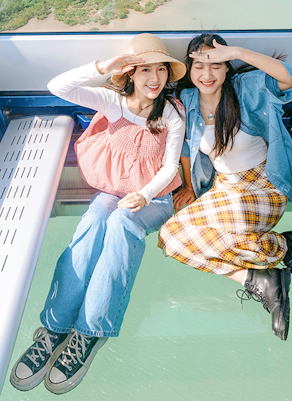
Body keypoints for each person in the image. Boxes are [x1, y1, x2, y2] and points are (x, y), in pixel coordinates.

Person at [10, 33, 186, 395]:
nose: (155, 79)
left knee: (121, 224)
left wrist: (144, 194)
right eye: (146, 70)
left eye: (162, 70)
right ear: (131, 73)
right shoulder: (113, 101)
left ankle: (89, 332)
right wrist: (104, 67)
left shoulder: (172, 113)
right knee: (92, 223)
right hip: (112, 191)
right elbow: (57, 86)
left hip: (154, 199)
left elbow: (170, 168)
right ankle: (55, 328)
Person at [158, 33, 292, 342]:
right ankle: (263, 274)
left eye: (215, 65)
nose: (207, 74)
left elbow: (290, 79)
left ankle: (286, 250)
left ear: (228, 67)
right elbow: (187, 148)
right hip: (225, 187)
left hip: (263, 186)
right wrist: (189, 184)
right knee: (171, 239)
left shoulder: (246, 90)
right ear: (189, 69)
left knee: (229, 235)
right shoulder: (188, 100)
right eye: (199, 65)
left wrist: (239, 51)